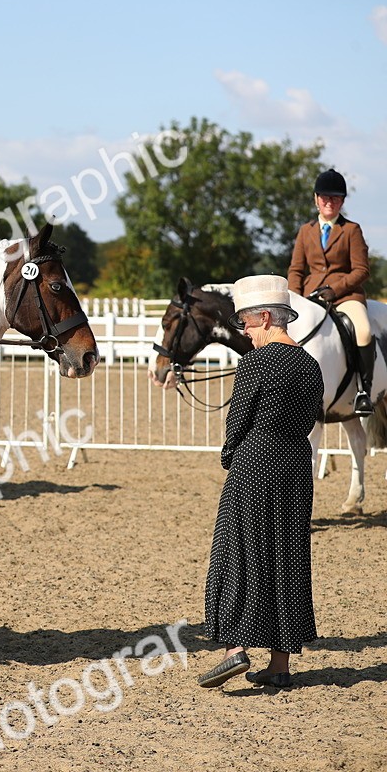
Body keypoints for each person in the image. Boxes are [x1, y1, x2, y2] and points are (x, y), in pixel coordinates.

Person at [197, 275, 323, 690]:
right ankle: (280, 665)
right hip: (296, 464)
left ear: (266, 318)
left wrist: (229, 453)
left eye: (247, 325)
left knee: (239, 551)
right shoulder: (310, 364)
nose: (245, 334)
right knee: (287, 554)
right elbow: (308, 419)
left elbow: (238, 421)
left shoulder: (256, 363)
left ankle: (235, 650)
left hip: (256, 462)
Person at [287, 168, 374, 415]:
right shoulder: (306, 231)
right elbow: (295, 269)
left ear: (342, 201)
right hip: (309, 298)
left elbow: (361, 270)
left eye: (335, 198)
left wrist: (334, 290)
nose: (329, 202)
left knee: (364, 332)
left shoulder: (351, 230)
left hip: (345, 296)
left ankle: (362, 391)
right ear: (316, 199)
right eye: (324, 197)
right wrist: (294, 297)